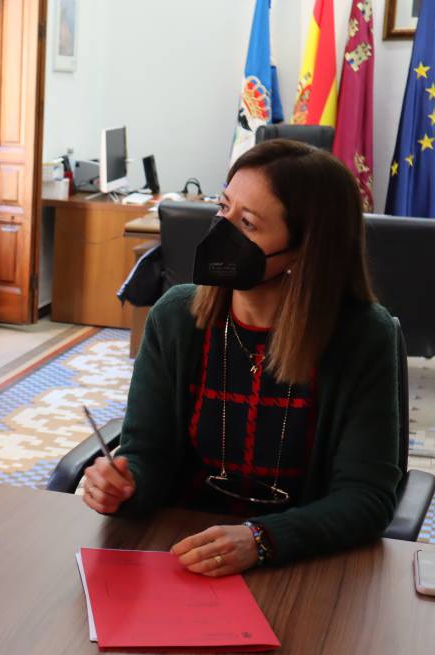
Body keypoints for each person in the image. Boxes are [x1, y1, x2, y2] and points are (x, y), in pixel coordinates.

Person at [82, 139, 399, 575]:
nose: (222, 232)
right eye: (223, 208)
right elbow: (148, 454)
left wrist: (262, 539)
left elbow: (366, 498)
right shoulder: (176, 317)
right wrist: (126, 483)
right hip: (181, 552)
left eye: (247, 224)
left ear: (304, 250)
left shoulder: (362, 336)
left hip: (300, 564)